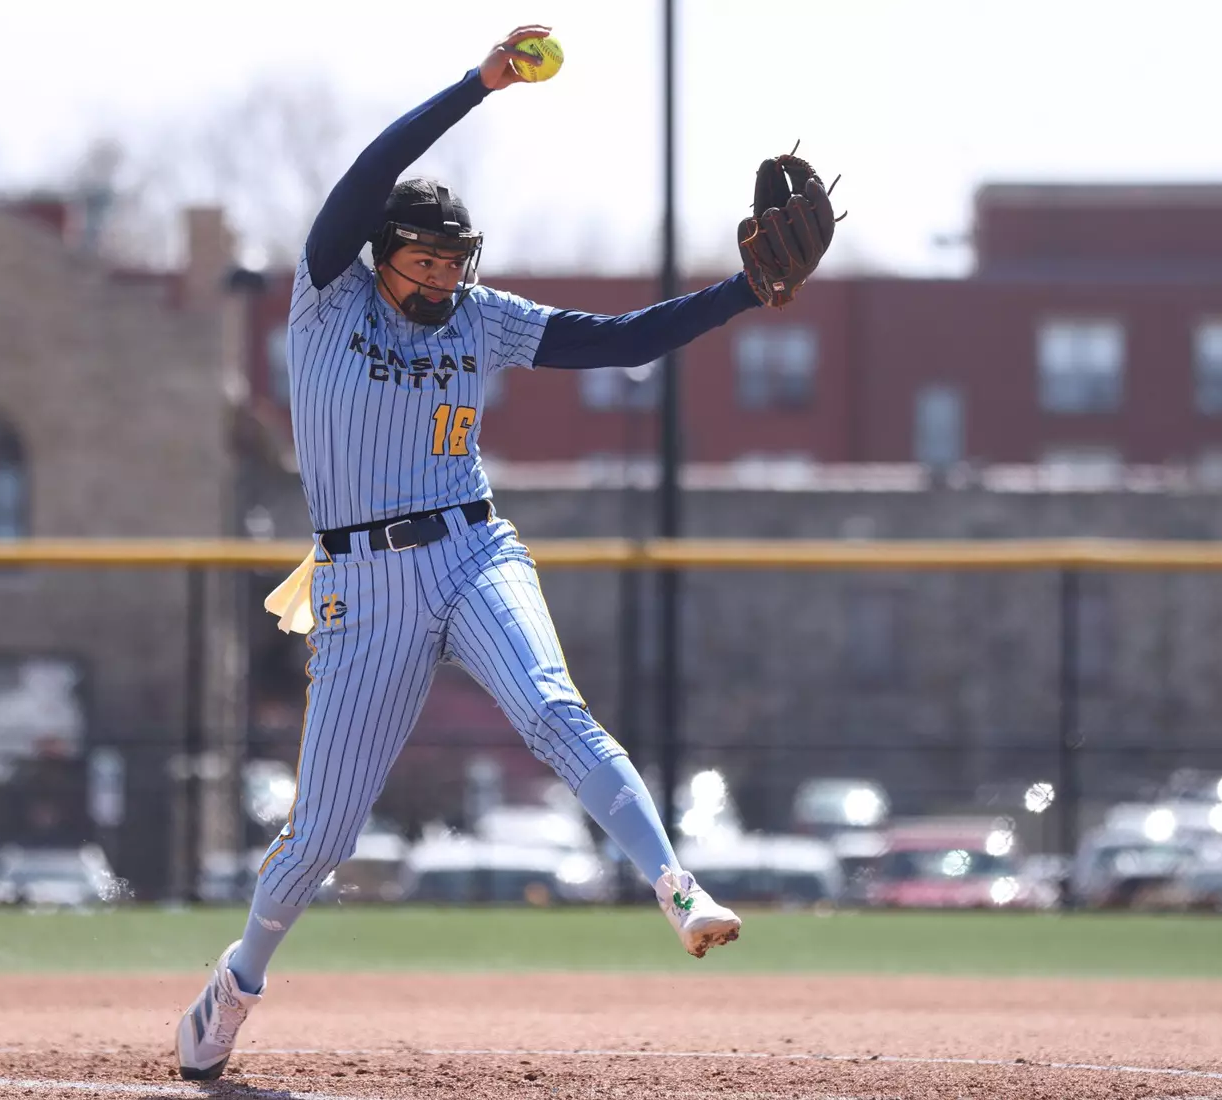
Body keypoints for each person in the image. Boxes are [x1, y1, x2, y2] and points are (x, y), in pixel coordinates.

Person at [175, 24, 834, 1081]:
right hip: (361, 582)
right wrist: (477, 85)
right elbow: (370, 172)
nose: (442, 276)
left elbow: (621, 341)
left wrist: (741, 294)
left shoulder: (479, 318)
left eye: (454, 260)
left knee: (552, 708)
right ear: (381, 253)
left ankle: (675, 884)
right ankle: (239, 978)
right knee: (322, 838)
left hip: (474, 548)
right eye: (424, 259)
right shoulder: (327, 295)